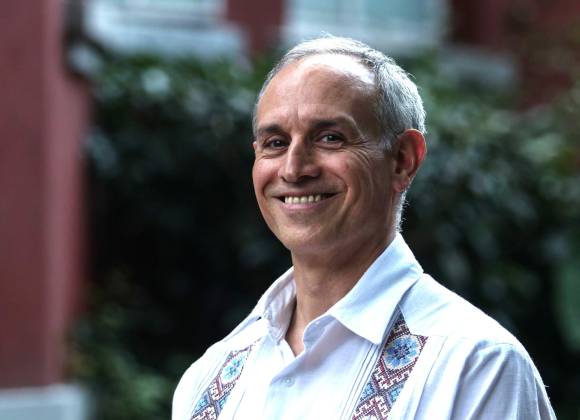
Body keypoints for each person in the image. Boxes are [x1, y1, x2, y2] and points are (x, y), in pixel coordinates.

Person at [173, 36, 556, 420]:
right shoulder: (209, 379)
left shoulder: (475, 366)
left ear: (403, 160)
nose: (293, 169)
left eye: (330, 138)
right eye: (275, 142)